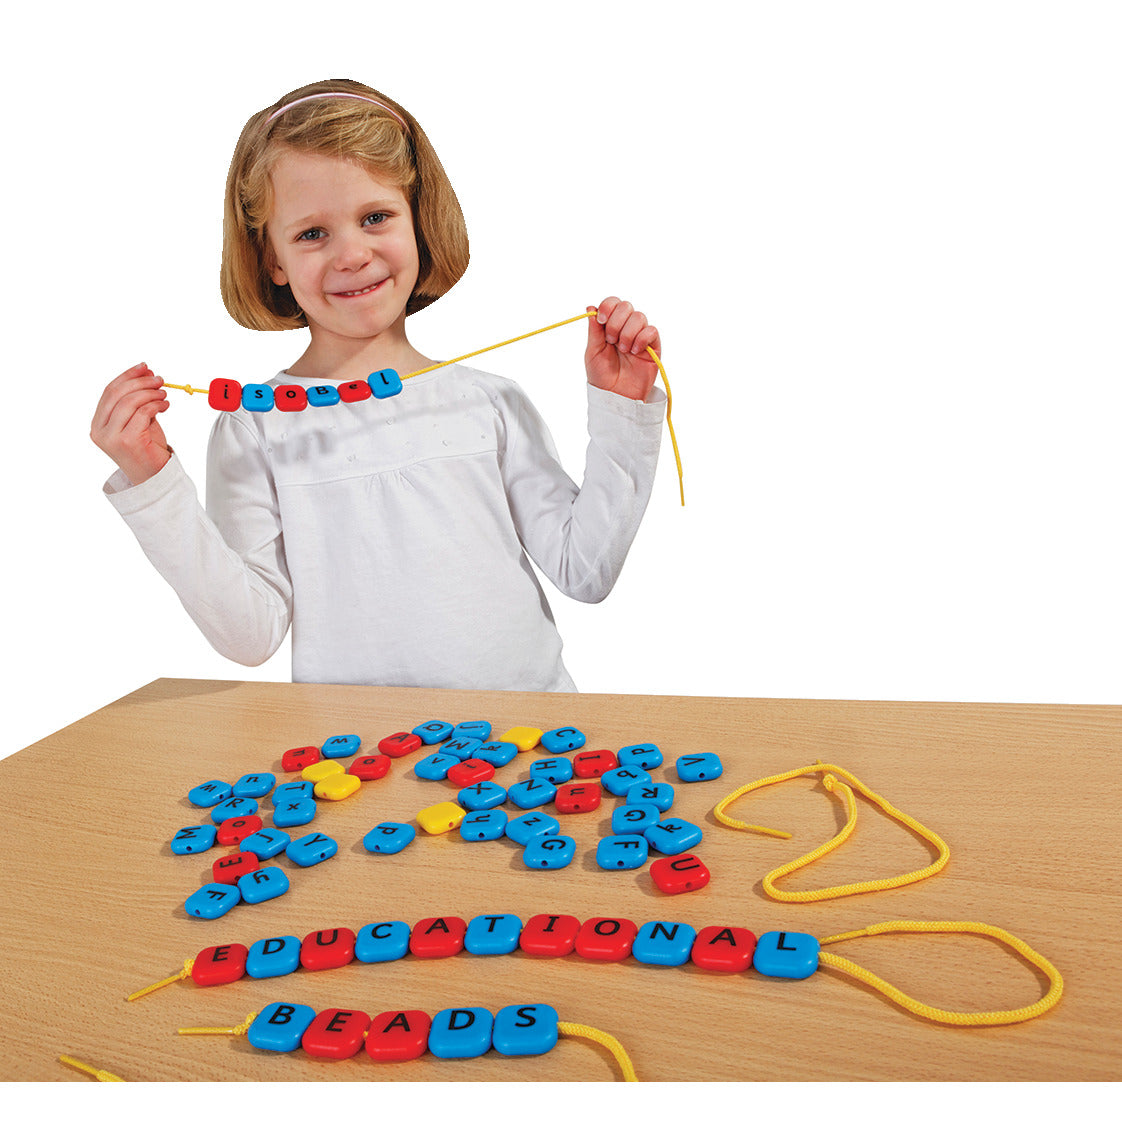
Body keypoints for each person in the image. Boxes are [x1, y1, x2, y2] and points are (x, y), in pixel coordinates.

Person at [90, 78, 666, 692]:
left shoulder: (489, 402)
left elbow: (586, 571)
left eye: (375, 217)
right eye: (312, 233)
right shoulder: (254, 428)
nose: (351, 254)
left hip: (533, 748)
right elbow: (250, 635)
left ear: (418, 222)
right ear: (272, 260)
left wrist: (621, 410)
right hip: (360, 763)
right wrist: (154, 486)